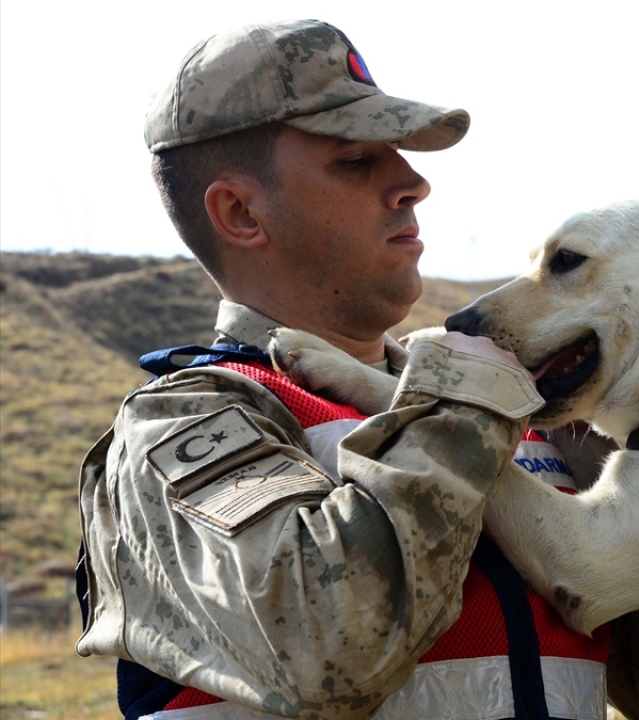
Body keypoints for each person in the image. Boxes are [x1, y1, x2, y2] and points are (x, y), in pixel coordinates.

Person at [77, 20, 608, 720]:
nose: (414, 183)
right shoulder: (185, 424)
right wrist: (466, 408)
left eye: (399, 157)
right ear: (240, 213)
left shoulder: (520, 412)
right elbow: (326, 646)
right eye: (356, 161)